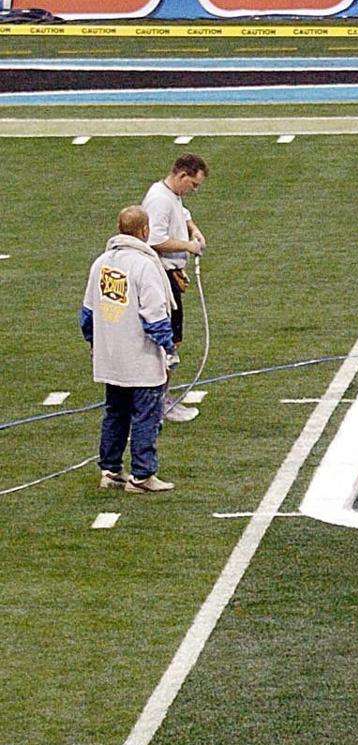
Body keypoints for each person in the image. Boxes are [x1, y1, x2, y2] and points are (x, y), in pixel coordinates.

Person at [82, 206, 177, 494]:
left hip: (111, 356)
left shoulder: (101, 263)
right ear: (144, 231)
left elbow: (87, 313)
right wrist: (169, 348)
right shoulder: (145, 265)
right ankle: (142, 475)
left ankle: (110, 470)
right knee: (147, 415)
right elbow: (155, 314)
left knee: (115, 413)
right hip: (141, 357)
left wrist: (94, 344)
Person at [140, 154, 206, 423]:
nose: (194, 190)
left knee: (173, 339)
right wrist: (188, 246)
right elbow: (154, 239)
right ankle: (160, 402)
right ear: (181, 176)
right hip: (163, 277)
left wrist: (192, 228)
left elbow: (180, 211)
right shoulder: (158, 199)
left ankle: (160, 399)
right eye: (193, 184)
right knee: (168, 341)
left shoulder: (171, 196)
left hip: (171, 274)